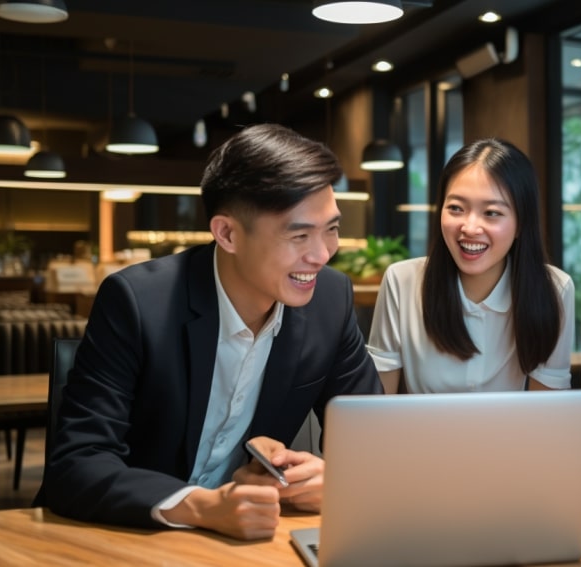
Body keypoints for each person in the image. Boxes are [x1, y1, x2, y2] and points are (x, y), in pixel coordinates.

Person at [38, 124, 383, 540]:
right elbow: (76, 464)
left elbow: (373, 439)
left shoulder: (330, 299)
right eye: (299, 235)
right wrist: (204, 506)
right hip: (128, 535)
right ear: (228, 233)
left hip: (247, 542)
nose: (322, 254)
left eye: (331, 229)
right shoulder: (138, 301)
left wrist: (335, 478)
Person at [366, 138, 574, 393]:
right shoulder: (402, 282)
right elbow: (379, 405)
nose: (470, 228)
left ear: (521, 223)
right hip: (419, 434)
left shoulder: (554, 290)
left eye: (491, 213)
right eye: (456, 208)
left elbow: (546, 413)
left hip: (513, 435)